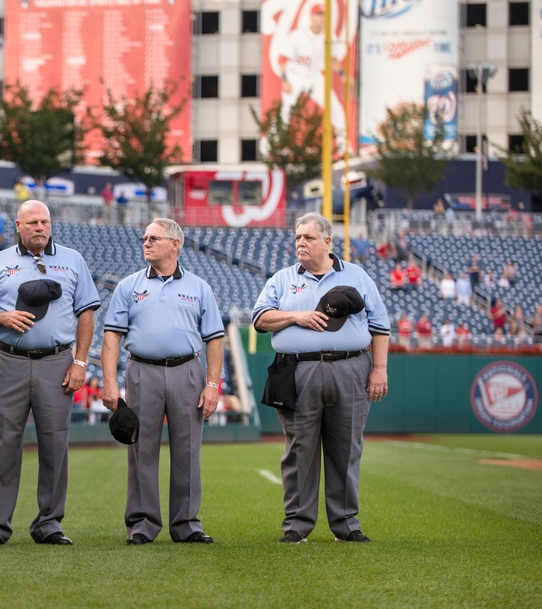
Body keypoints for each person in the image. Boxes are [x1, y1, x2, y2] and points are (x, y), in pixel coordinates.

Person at [252, 213, 389, 544]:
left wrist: (380, 369)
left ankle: (346, 524)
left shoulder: (357, 276)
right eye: (298, 237)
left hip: (351, 367)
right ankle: (297, 525)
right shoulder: (282, 279)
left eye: (309, 238)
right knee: (300, 449)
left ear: (328, 241)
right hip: (299, 370)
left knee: (347, 448)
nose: (301, 242)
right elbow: (259, 319)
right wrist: (295, 315)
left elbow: (380, 326)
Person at [0, 200, 100, 546]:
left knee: (55, 443)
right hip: (10, 361)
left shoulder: (73, 260)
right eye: (32, 223)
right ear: (18, 226)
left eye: (44, 222)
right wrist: (3, 318)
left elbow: (87, 313)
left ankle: (48, 523)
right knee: (5, 443)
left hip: (57, 362)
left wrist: (80, 362)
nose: (39, 228)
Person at [101, 218, 224, 545]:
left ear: (175, 244)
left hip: (187, 371)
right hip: (142, 371)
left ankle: (186, 525)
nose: (146, 242)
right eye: (144, 238)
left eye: (153, 238)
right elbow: (112, 335)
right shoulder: (128, 285)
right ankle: (142, 525)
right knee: (141, 449)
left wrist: (212, 384)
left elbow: (214, 338)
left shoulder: (199, 287)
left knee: (188, 450)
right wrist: (110, 382)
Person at [277, 4, 347, 150]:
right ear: (311, 16)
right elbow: (282, 59)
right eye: (318, 15)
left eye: (323, 15)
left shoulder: (329, 36)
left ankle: (344, 145)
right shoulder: (298, 35)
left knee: (336, 108)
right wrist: (285, 80)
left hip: (314, 76)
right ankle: (279, 146)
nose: (320, 18)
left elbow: (333, 60)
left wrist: (343, 75)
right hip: (295, 75)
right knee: (286, 112)